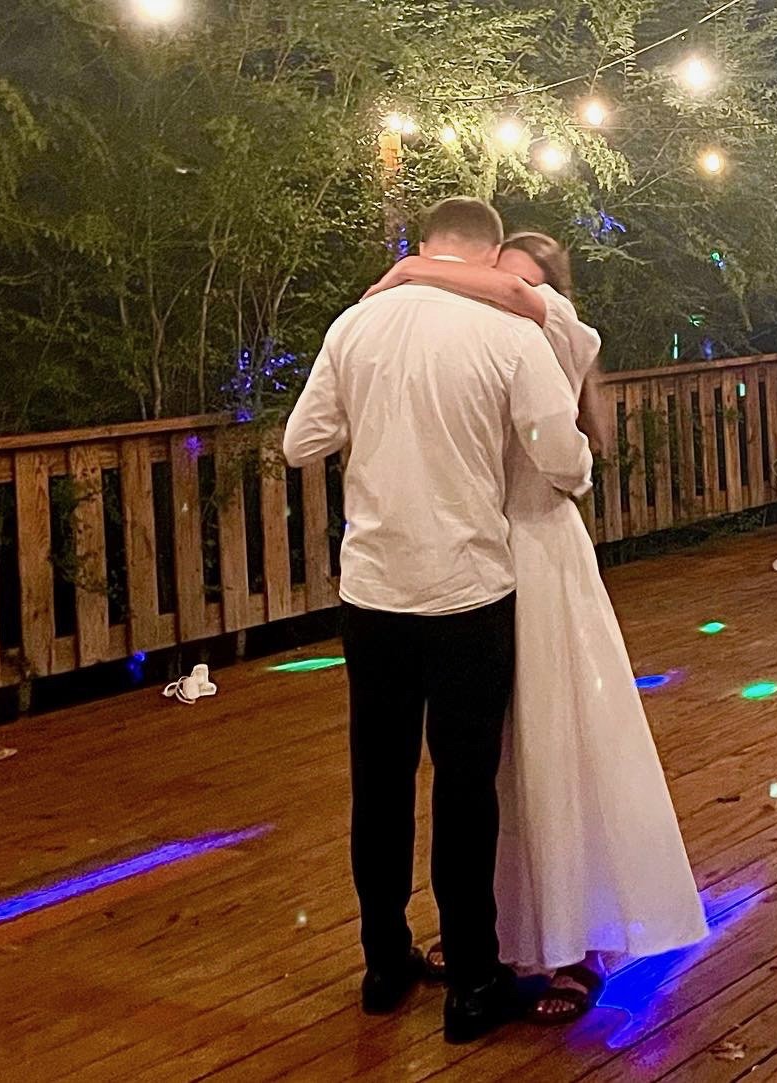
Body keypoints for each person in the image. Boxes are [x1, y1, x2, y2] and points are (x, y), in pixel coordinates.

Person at [364, 232, 709, 1024]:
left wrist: (413, 265)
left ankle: (579, 942)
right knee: (481, 762)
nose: (498, 292)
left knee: (555, 744)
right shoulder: (475, 345)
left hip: (540, 561)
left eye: (515, 282)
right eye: (493, 279)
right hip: (470, 560)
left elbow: (559, 449)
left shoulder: (550, 328)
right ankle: (490, 930)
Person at [283, 198, 593, 1043]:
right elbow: (561, 456)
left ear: (422, 247)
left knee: (377, 783)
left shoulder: (358, 325)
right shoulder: (508, 337)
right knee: (466, 789)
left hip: (373, 593)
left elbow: (300, 442)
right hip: (467, 590)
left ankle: (384, 963)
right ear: (491, 255)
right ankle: (473, 981)